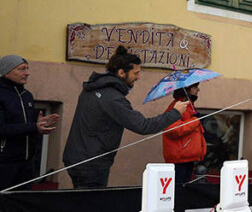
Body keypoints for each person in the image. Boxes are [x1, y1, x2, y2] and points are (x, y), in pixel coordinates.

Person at [62, 46, 187, 189]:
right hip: (91, 163)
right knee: (92, 207)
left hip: (77, 158)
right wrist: (175, 112)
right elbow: (143, 126)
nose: (139, 77)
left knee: (83, 204)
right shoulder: (112, 98)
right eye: (136, 73)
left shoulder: (93, 88)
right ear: (121, 73)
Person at [0, 56, 59, 191]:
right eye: (21, 69)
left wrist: (39, 125)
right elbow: (2, 129)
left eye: (27, 69)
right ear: (6, 72)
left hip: (26, 164)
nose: (27, 73)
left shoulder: (27, 95)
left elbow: (30, 127)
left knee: (23, 205)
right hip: (5, 164)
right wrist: (33, 127)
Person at [161, 84, 207, 187]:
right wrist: (195, 120)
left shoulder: (188, 105)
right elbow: (174, 130)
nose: (198, 90)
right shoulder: (178, 106)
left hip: (186, 156)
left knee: (184, 188)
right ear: (187, 89)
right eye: (195, 87)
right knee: (179, 189)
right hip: (180, 158)